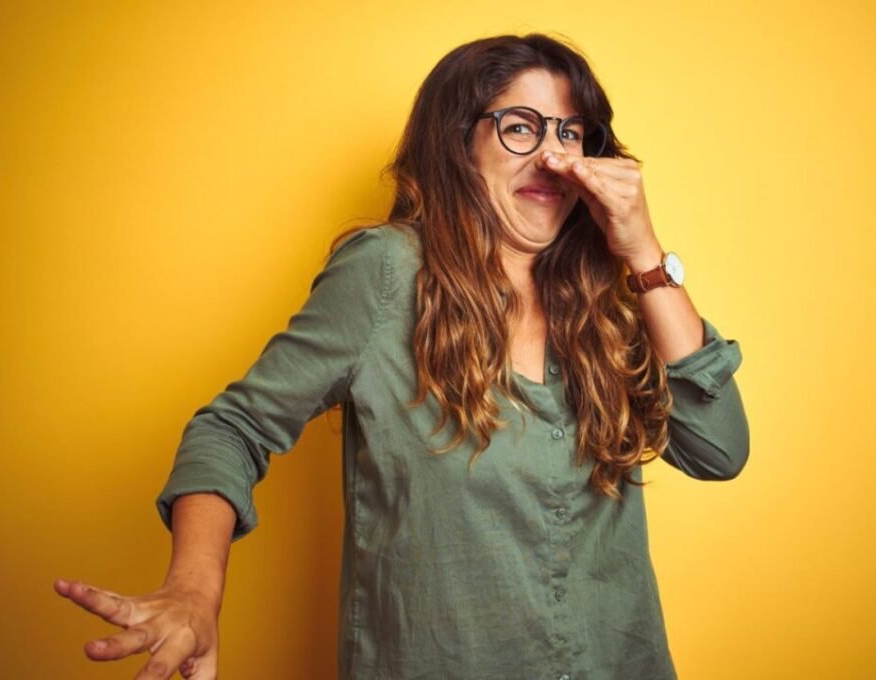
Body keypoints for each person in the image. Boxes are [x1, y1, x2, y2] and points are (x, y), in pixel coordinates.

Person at [54, 32, 749, 680]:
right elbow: (233, 429)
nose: (552, 156)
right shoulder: (388, 273)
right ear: (456, 143)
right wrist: (193, 592)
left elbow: (719, 451)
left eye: (570, 133)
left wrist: (644, 257)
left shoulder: (607, 293)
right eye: (521, 126)